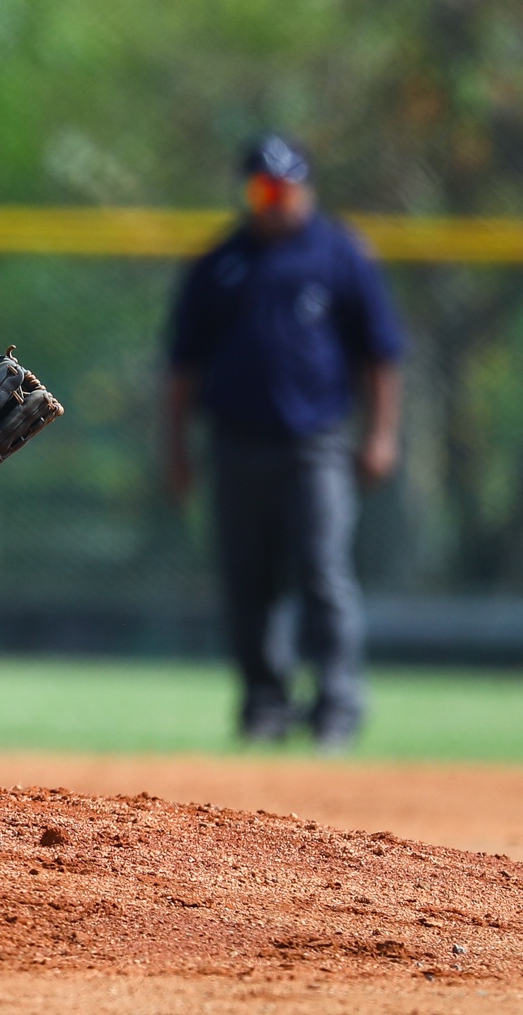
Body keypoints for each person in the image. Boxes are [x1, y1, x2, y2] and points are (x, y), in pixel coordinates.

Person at [163, 135, 404, 751]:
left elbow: (381, 354)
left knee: (323, 574)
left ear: (308, 189)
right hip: (236, 443)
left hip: (316, 443)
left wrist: (380, 435)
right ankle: (264, 708)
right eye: (262, 190)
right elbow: (183, 365)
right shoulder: (219, 263)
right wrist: (176, 448)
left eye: (286, 189)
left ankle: (336, 709)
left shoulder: (340, 255)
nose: (275, 202)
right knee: (248, 582)